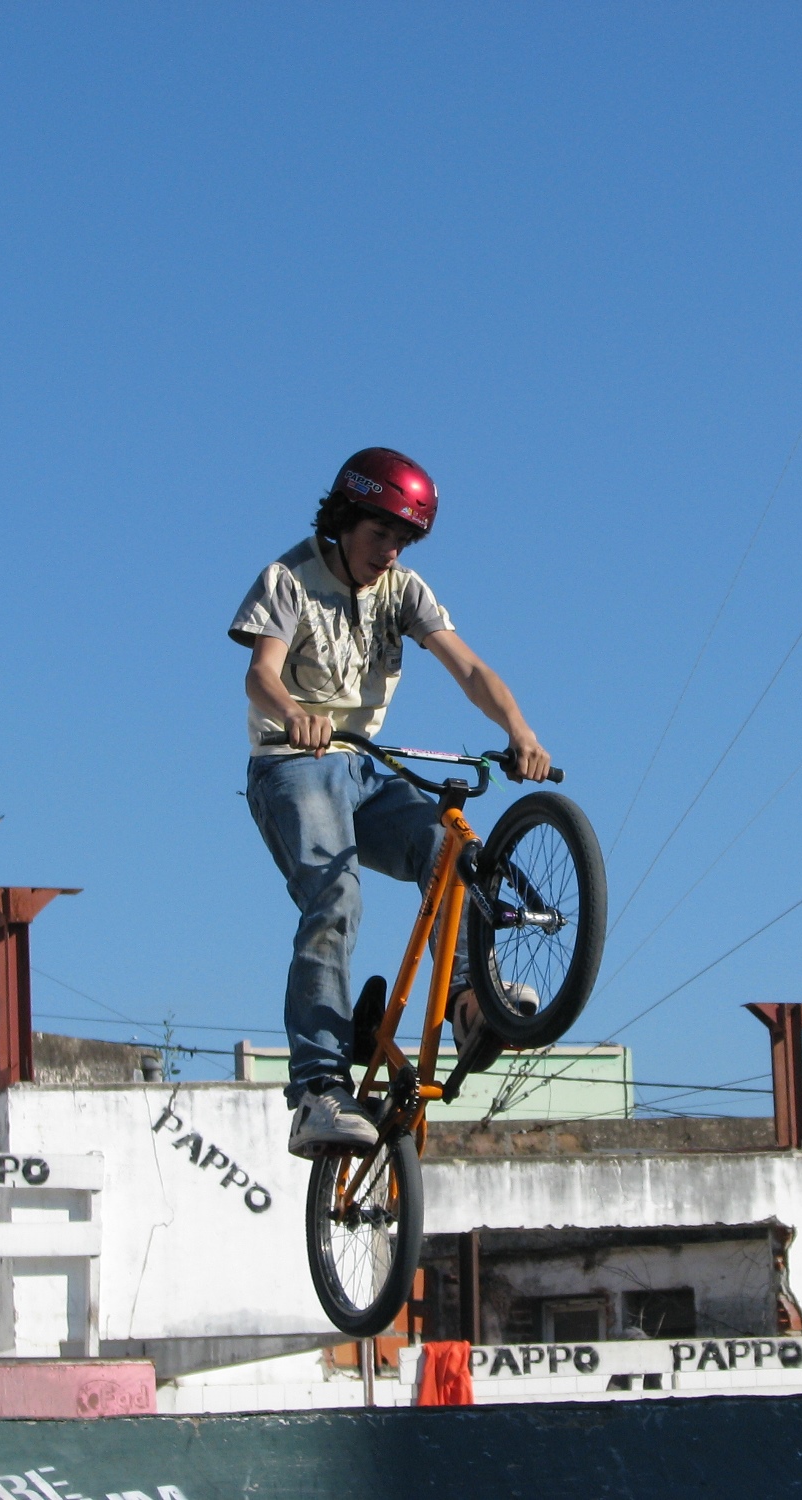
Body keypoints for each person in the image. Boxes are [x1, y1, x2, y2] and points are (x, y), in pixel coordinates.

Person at [229, 447, 550, 1159]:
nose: (391, 553)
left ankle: (469, 1000)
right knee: (335, 897)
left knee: (452, 851)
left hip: (363, 768)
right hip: (292, 764)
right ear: (346, 519)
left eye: (404, 541)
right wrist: (294, 713)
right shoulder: (288, 580)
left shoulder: (404, 591)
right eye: (381, 535)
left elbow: (468, 667)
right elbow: (260, 675)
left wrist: (519, 730)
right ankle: (316, 1087)